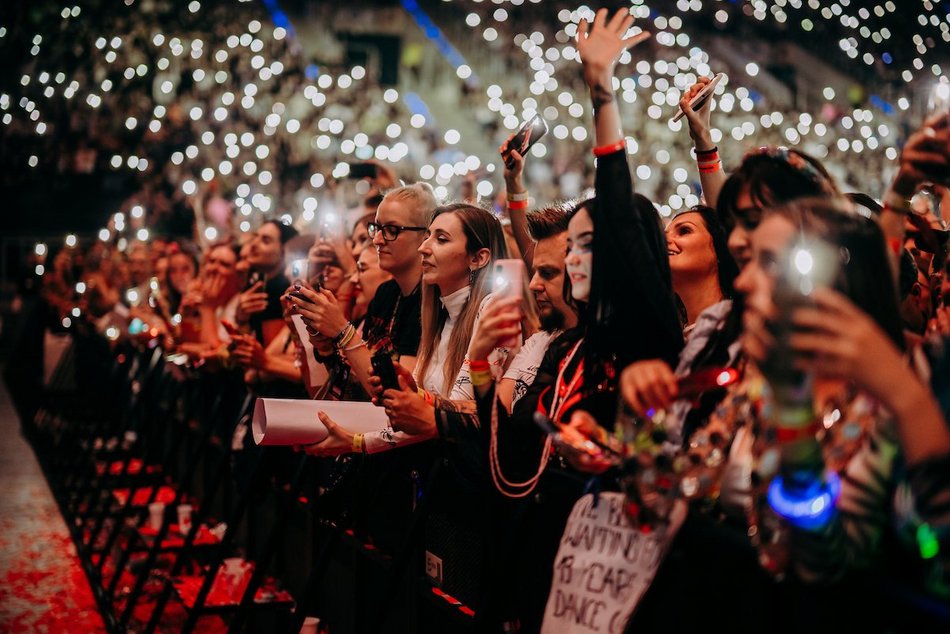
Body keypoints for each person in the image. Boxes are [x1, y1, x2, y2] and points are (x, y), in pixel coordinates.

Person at [235, 219, 299, 347]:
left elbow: (269, 351)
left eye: (265, 241)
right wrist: (241, 319)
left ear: (284, 251)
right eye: (255, 237)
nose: (253, 245)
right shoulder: (258, 284)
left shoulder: (285, 289)